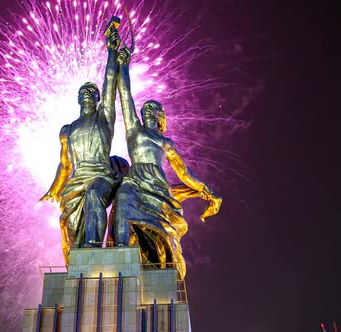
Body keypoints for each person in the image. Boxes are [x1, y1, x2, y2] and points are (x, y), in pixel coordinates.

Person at [113, 47, 222, 279]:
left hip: (159, 187)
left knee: (160, 234)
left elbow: (184, 172)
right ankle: (120, 252)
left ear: (161, 116)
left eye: (154, 109)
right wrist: (123, 64)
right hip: (136, 180)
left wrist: (204, 188)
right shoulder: (135, 131)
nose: (148, 111)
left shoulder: (166, 142)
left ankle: (157, 259)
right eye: (146, 109)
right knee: (123, 196)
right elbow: (125, 96)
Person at [40, 26, 121, 265]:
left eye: (92, 91)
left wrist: (112, 52)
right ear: (78, 98)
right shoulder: (67, 130)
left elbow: (109, 83)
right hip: (75, 182)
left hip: (101, 177)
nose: (88, 93)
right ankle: (80, 260)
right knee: (71, 225)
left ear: (98, 98)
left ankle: (93, 249)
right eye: (83, 91)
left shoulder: (104, 118)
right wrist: (54, 189)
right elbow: (64, 164)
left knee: (94, 196)